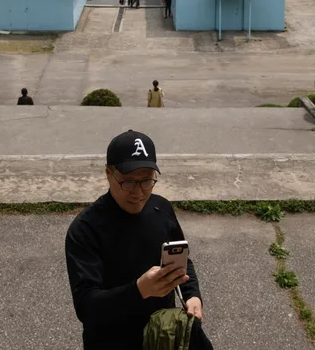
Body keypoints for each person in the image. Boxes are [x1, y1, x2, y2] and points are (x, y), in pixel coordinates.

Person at [65, 130, 208, 350]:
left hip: (164, 335)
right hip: (111, 341)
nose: (139, 192)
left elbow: (181, 260)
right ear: (108, 173)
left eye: (147, 181)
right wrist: (139, 290)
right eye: (128, 182)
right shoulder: (86, 229)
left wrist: (192, 296)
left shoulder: (161, 208)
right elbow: (86, 307)